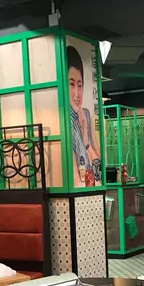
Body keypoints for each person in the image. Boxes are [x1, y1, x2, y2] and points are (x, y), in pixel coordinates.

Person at [67, 45, 101, 185]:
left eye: (80, 85)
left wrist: (86, 142)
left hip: (92, 188)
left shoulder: (86, 114)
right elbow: (76, 181)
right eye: (71, 84)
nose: (77, 94)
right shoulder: (65, 122)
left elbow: (99, 168)